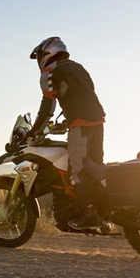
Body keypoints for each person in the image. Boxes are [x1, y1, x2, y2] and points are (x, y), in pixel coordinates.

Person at [26, 36, 106, 230]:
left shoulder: (50, 70)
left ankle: (90, 216)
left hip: (81, 124)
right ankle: (103, 214)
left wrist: (34, 131)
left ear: (48, 53)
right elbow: (82, 96)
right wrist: (64, 124)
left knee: (76, 173)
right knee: (95, 170)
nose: (39, 61)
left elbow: (47, 106)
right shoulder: (78, 67)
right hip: (98, 121)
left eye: (39, 56)